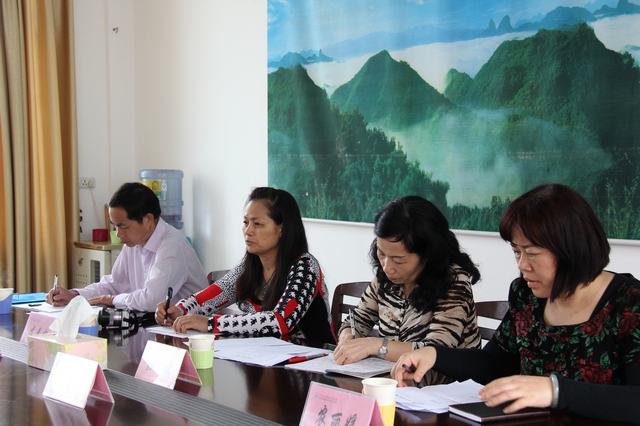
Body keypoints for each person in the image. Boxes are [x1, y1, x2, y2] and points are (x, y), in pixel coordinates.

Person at [392, 184, 640, 423]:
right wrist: (434, 354)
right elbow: (495, 364)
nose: (522, 265)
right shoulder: (526, 295)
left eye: (532, 253)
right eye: (516, 252)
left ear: (571, 250)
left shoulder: (630, 304)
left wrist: (554, 390)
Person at [156, 187, 335, 344]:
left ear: (282, 229)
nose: (248, 231)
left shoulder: (305, 267)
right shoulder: (250, 267)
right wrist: (179, 309)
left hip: (312, 361)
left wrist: (210, 323)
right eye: (245, 222)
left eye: (258, 224)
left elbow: (280, 322)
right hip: (263, 358)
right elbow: (207, 298)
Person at [333, 196, 482, 385]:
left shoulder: (453, 281)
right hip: (395, 383)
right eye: (381, 253)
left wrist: (376, 345)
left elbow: (436, 351)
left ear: (428, 254)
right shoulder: (386, 278)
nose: (387, 267)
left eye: (399, 260)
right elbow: (357, 320)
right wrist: (348, 336)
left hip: (446, 390)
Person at [47, 182, 208, 312]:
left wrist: (113, 300)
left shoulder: (172, 245)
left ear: (148, 219)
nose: (118, 234)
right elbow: (113, 285)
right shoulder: (133, 243)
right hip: (155, 326)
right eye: (115, 226)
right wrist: (75, 295)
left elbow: (151, 300)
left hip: (190, 333)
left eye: (123, 226)